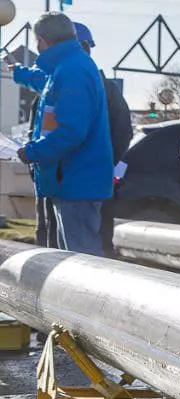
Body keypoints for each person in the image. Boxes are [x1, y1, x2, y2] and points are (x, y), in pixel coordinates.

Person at [13, 13, 113, 255]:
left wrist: (33, 151)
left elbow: (71, 131)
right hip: (72, 180)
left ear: (43, 40)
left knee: (82, 260)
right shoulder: (70, 66)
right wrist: (20, 73)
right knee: (72, 258)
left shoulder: (71, 71)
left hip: (75, 180)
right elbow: (47, 86)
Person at [73, 22, 133, 257]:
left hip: (85, 181)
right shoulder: (55, 85)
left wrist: (103, 163)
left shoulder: (103, 90)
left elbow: (121, 132)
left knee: (92, 245)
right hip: (80, 179)